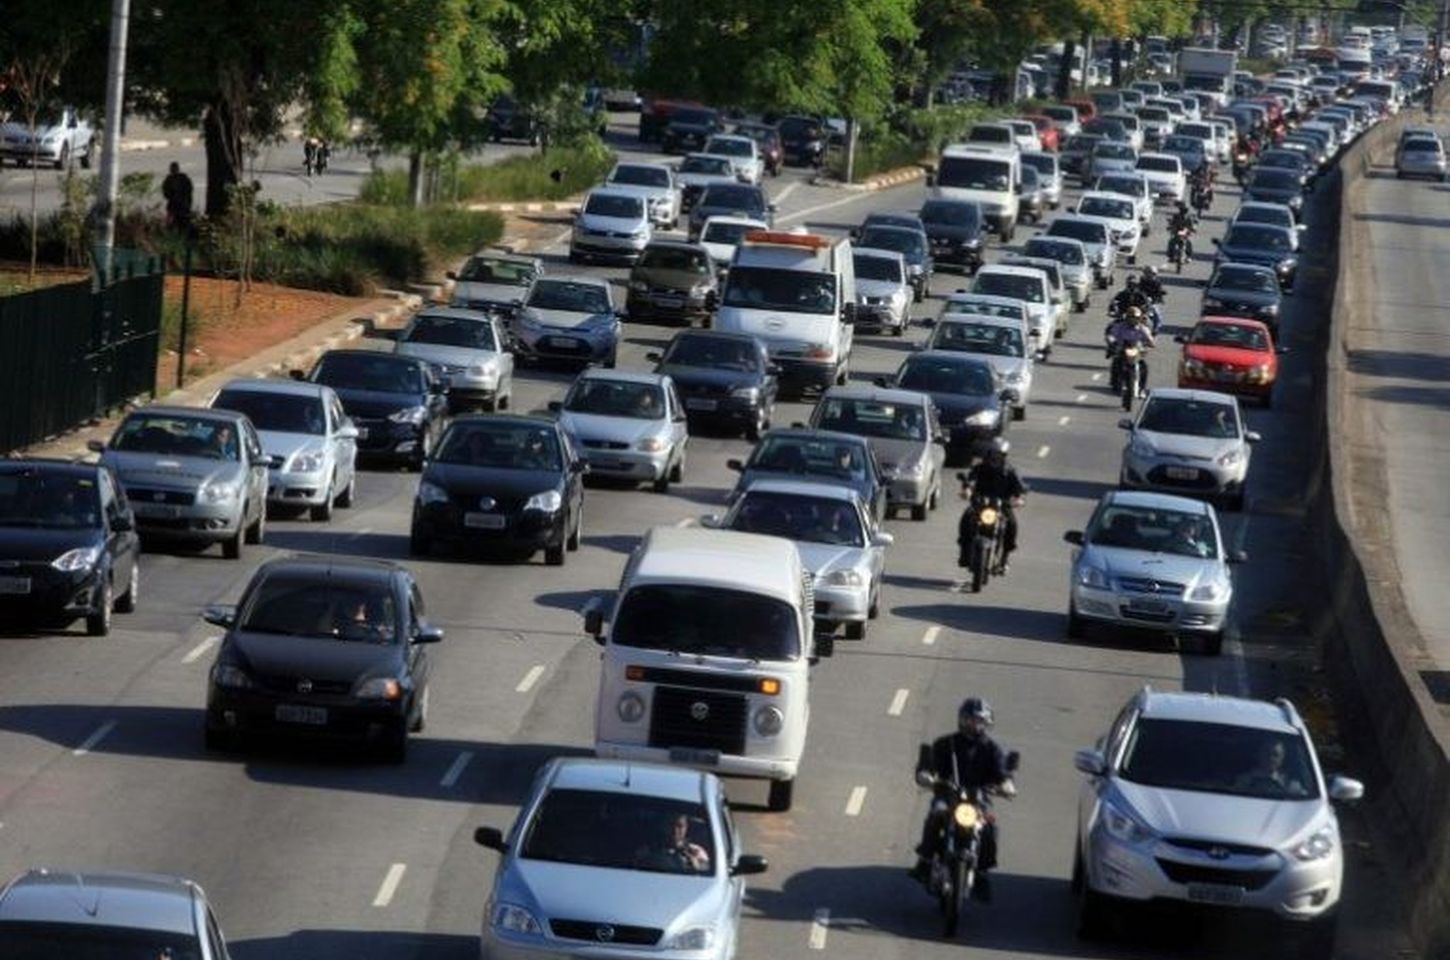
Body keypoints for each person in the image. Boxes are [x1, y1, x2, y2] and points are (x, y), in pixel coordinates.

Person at [909, 698, 1016, 901]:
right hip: (948, 795)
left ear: (987, 723)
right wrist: (927, 775)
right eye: (969, 720)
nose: (974, 725)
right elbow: (929, 765)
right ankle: (924, 860)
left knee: (990, 828)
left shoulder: (992, 749)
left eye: (979, 721)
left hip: (979, 800)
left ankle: (983, 873)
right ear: (961, 720)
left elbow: (1002, 773)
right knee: (936, 813)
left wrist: (1006, 785)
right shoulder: (946, 744)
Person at [959, 438, 1026, 572]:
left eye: (999, 455)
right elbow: (970, 479)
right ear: (988, 454)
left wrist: (1019, 499)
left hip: (1002, 506)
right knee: (966, 518)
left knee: (1012, 524)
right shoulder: (980, 468)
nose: (995, 458)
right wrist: (967, 490)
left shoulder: (1010, 471)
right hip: (980, 504)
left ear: (1004, 456)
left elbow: (1020, 488)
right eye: (993, 454)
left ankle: (1004, 559)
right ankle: (964, 553)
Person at [636, 814, 711, 873]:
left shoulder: (697, 851)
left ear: (686, 827)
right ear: (663, 826)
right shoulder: (647, 851)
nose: (675, 831)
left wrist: (696, 865)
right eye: (670, 825)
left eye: (680, 826)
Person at [1234, 739, 1307, 796]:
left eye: (1276, 755)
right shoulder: (1244, 781)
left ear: (1282, 759)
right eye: (1267, 753)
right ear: (1259, 755)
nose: (1271, 758)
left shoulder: (1290, 785)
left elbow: (1305, 800)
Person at [161, 162, 194, 231]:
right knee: (171, 222)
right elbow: (165, 192)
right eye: (172, 169)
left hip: (182, 204)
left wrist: (186, 200)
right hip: (173, 204)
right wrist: (172, 196)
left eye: (174, 169)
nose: (173, 170)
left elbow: (189, 190)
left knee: (183, 221)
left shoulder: (183, 178)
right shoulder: (169, 179)